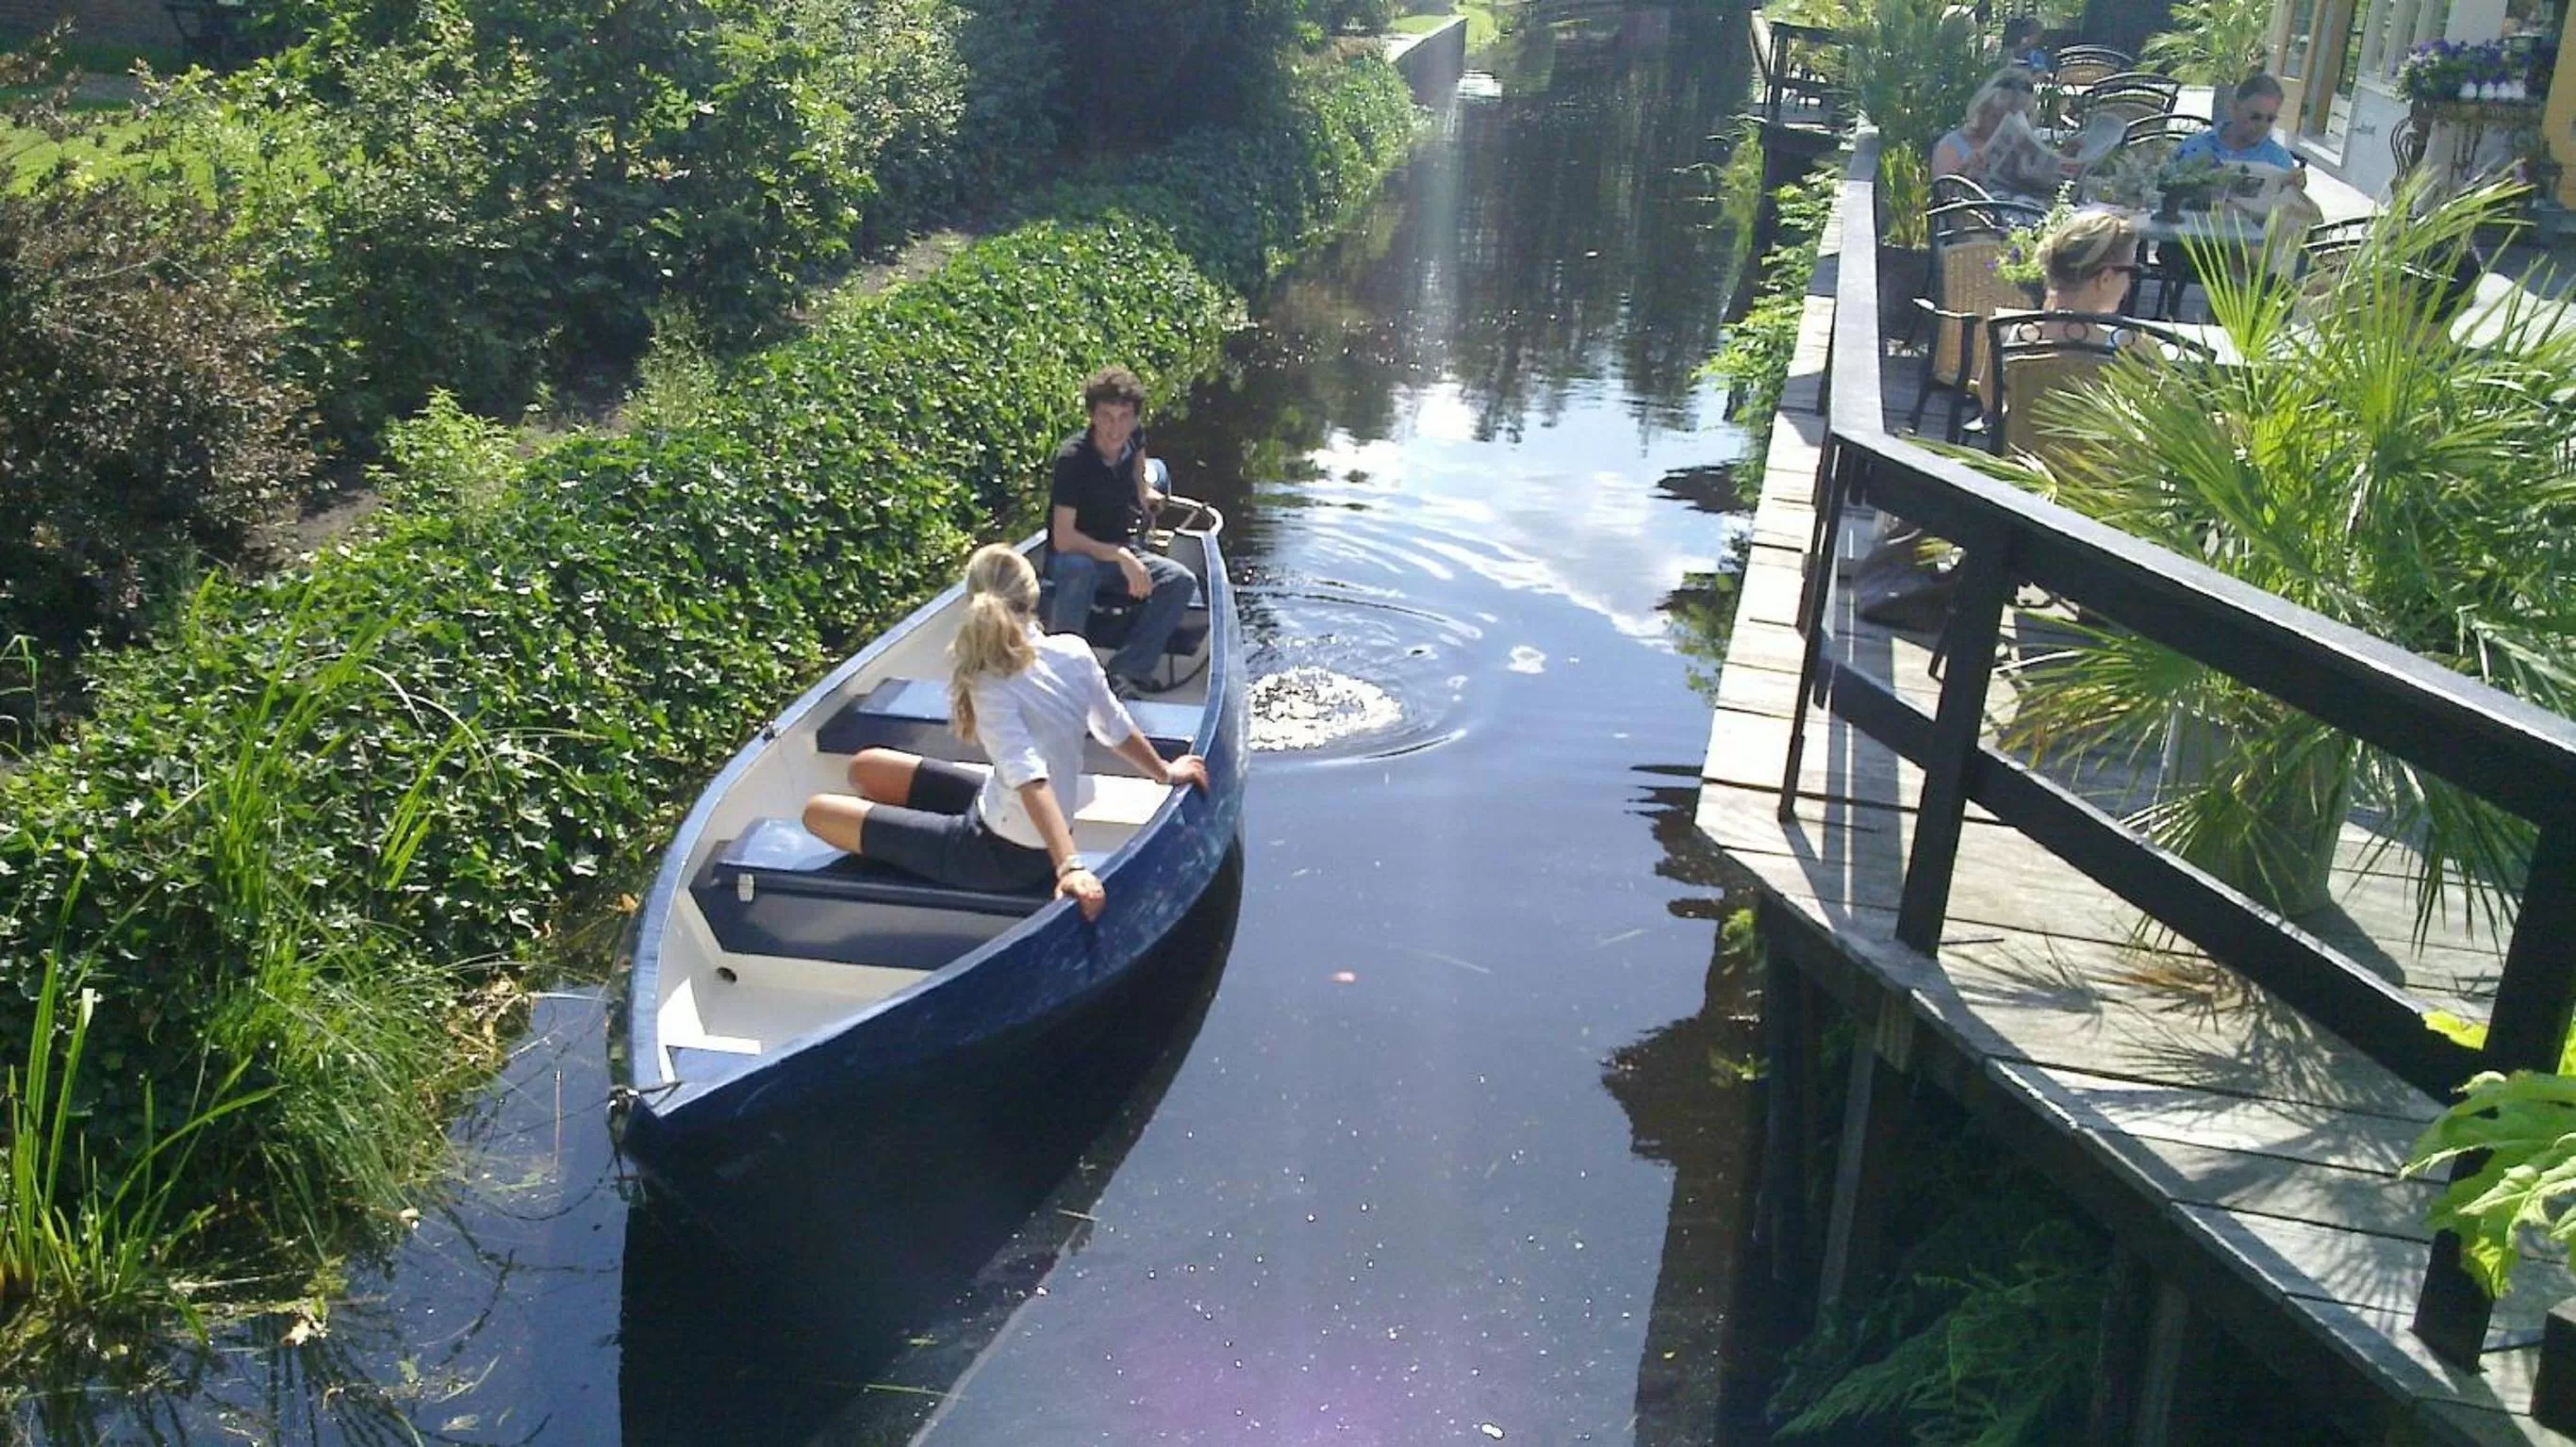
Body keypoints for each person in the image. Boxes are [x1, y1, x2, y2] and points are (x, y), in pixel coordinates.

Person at [801, 545, 1210, 921]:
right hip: (998, 809)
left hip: (1000, 857)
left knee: (816, 812)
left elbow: (1029, 775)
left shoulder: (989, 681)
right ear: (1034, 598)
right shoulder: (1073, 651)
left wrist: (1070, 865)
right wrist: (1163, 771)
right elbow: (1113, 728)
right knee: (866, 766)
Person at [1046, 365, 1197, 698]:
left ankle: (1126, 672)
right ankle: (1065, 672)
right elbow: (1063, 538)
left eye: (1124, 417)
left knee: (1180, 581)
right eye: (1107, 417)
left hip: (1120, 549)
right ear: (1092, 416)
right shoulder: (1073, 460)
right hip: (1076, 555)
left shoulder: (1133, 436)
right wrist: (1120, 556)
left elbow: (1138, 463)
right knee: (1079, 569)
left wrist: (1144, 494)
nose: (1116, 428)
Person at [2175, 74, 2306, 182]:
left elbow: (2288, 210)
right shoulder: (2194, 147)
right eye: (2255, 117)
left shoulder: (2279, 160)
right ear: (2234, 108)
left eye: (2270, 119)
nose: (2262, 125)